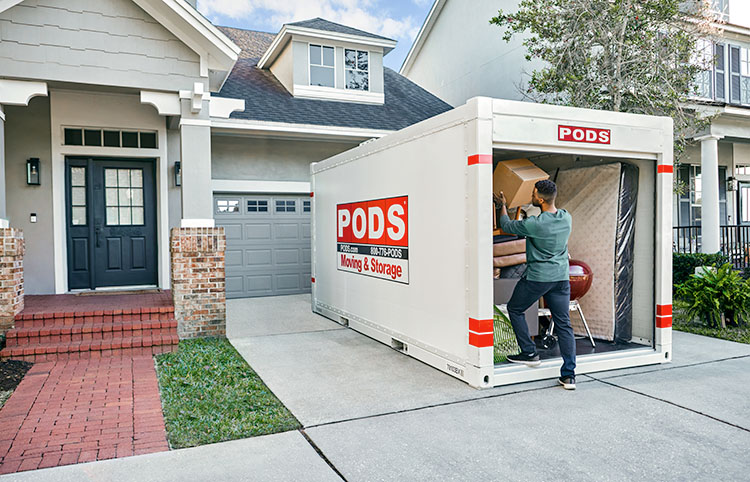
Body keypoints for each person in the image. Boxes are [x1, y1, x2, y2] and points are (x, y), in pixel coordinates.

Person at [495, 179, 576, 390]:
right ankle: (569, 376)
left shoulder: (535, 224)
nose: (531, 196)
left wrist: (502, 205)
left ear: (539, 199)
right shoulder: (566, 217)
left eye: (533, 193)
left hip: (539, 277)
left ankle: (530, 353)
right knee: (563, 323)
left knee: (515, 308)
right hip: (561, 278)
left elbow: (506, 226)